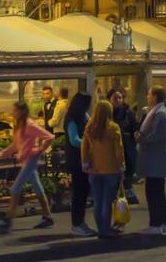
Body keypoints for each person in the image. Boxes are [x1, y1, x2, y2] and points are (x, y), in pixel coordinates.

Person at [0, 101, 55, 232]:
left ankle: (8, 220)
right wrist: (1, 154)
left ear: (22, 112)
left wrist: (40, 150)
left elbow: (50, 137)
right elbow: (16, 145)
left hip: (30, 159)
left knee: (15, 188)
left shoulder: (29, 125)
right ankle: (47, 216)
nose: (12, 113)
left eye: (15, 110)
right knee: (38, 188)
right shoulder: (20, 126)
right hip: (27, 159)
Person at [81, 100, 125, 239]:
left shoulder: (90, 127)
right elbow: (119, 149)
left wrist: (84, 163)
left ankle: (101, 229)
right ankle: (106, 230)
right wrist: (121, 166)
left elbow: (84, 147)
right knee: (107, 201)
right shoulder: (113, 127)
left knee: (98, 201)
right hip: (111, 169)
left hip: (94, 169)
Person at [136, 86, 166, 235]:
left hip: (156, 159)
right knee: (157, 191)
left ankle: (156, 224)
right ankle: (164, 222)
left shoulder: (160, 113)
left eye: (149, 94)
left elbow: (157, 135)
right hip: (156, 159)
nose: (147, 96)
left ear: (156, 97)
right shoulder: (157, 112)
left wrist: (141, 138)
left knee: (153, 192)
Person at [64, 92, 96, 237]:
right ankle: (76, 223)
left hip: (83, 159)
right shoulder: (71, 119)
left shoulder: (83, 116)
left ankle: (80, 222)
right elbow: (74, 140)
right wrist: (89, 144)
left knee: (83, 192)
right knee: (79, 193)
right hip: (77, 160)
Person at [108, 88, 140, 204]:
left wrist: (136, 133)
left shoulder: (128, 112)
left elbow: (135, 126)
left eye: (120, 98)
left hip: (127, 146)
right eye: (115, 98)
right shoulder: (107, 112)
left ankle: (128, 191)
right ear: (109, 98)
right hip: (111, 148)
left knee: (127, 170)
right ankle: (115, 193)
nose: (118, 100)